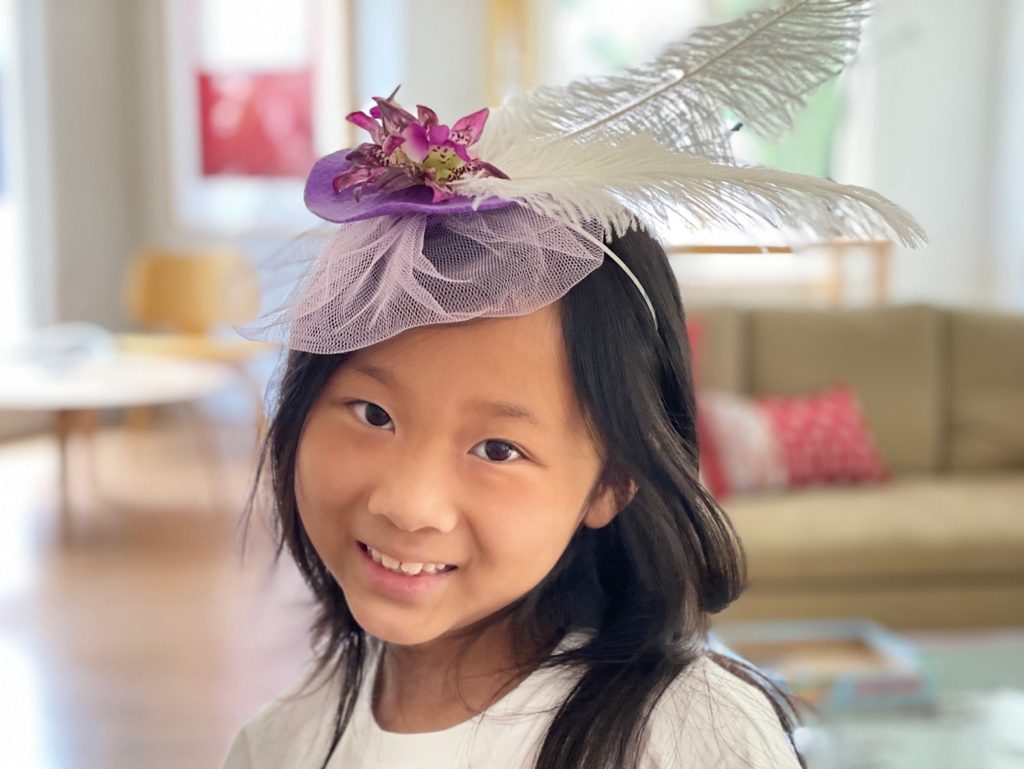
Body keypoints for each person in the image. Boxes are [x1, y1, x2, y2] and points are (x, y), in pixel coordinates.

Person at [222, 2, 924, 767]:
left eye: (497, 447)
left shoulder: (691, 737)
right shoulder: (276, 745)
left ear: (611, 478)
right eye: (372, 412)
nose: (406, 501)